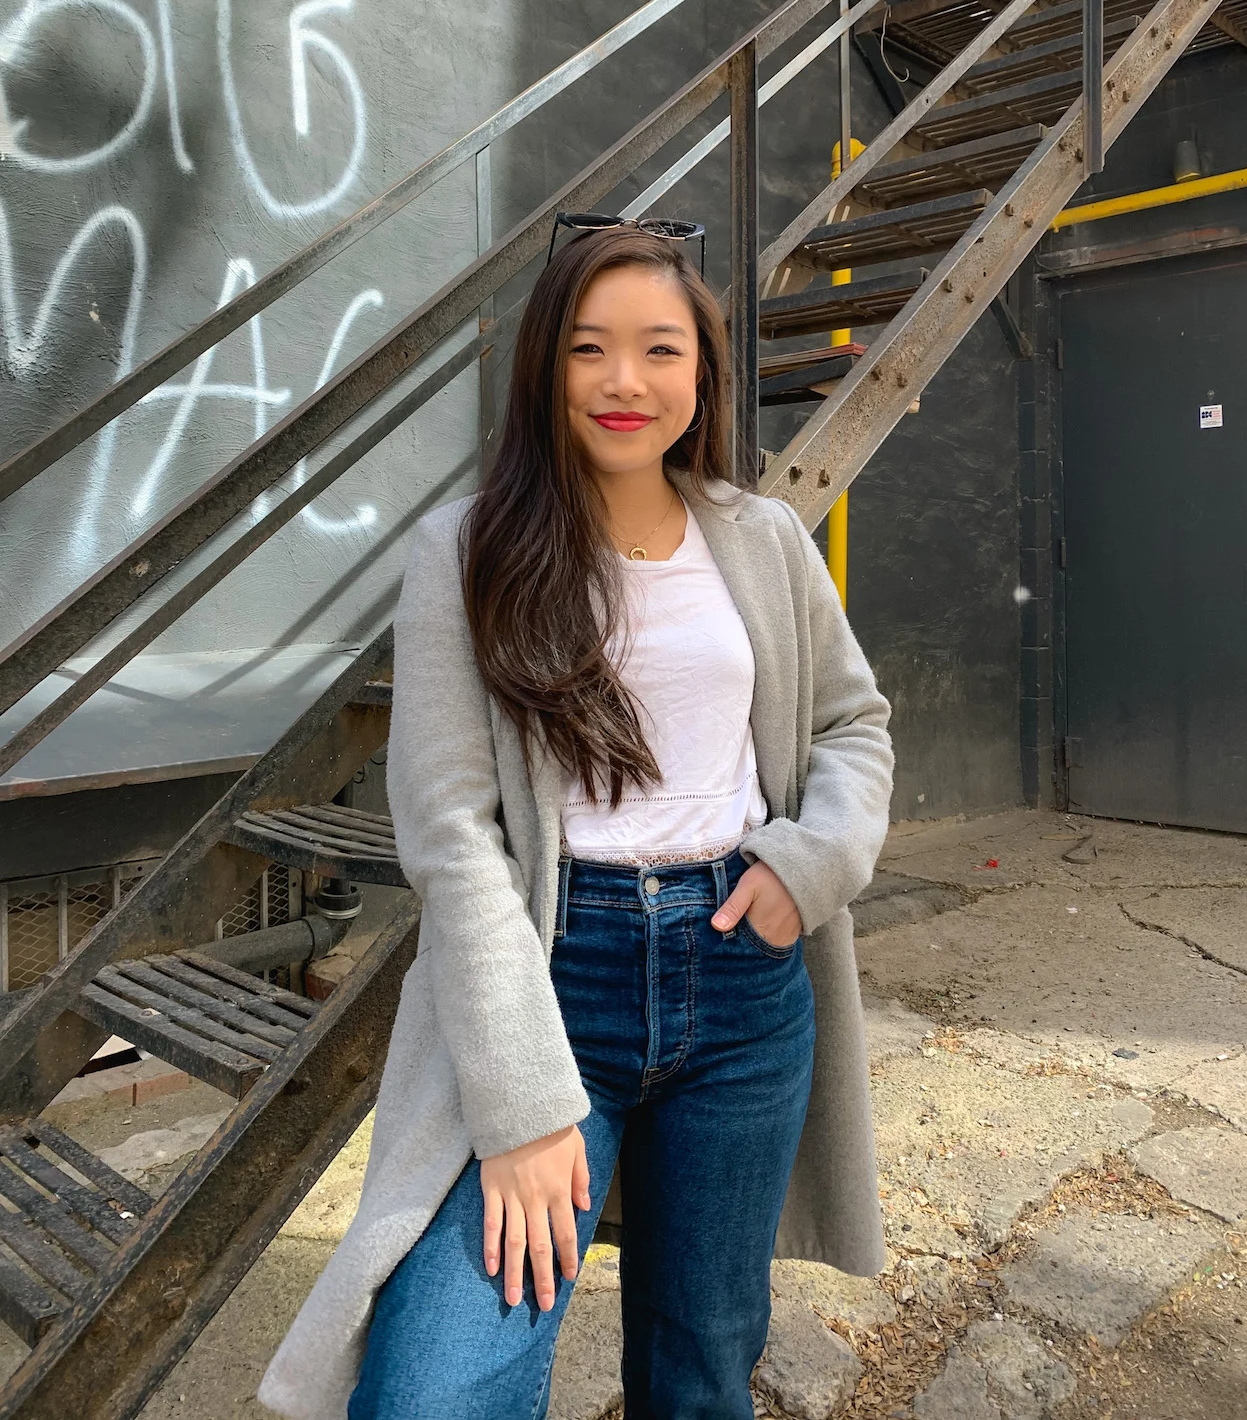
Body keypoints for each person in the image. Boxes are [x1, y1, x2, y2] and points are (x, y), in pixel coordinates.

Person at [258, 225, 894, 1420]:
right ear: (544, 366)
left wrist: (803, 866)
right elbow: (450, 831)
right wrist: (520, 1103)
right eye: (588, 349)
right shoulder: (468, 549)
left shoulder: (757, 537)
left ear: (699, 376)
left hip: (743, 976)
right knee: (440, 1382)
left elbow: (851, 725)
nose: (623, 382)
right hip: (547, 974)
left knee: (701, 1360)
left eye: (660, 350)